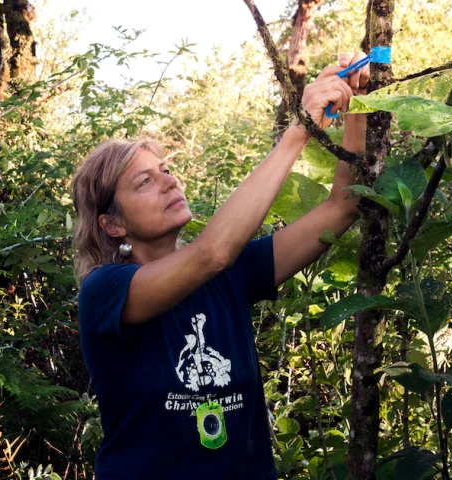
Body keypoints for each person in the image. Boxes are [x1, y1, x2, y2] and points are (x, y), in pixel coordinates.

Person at [71, 53, 370, 480]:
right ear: (113, 224)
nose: (170, 181)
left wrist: (357, 101)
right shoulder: (105, 291)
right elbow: (214, 252)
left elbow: (345, 205)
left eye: (166, 170)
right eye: (145, 182)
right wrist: (299, 131)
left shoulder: (231, 275)